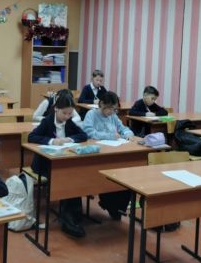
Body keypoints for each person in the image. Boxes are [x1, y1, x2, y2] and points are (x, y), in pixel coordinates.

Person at [28, 91, 88, 237]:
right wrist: (52, 141)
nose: (67, 116)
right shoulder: (47, 122)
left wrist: (70, 139)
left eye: (70, 113)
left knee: (74, 175)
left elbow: (83, 135)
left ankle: (73, 216)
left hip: (63, 161)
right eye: (64, 113)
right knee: (66, 177)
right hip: (44, 163)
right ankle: (68, 219)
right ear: (56, 109)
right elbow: (32, 136)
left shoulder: (69, 122)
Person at [83, 91, 135, 221]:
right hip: (97, 155)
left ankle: (116, 207)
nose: (112, 112)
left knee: (124, 178)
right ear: (101, 104)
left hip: (113, 152)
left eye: (114, 109)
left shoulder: (113, 116)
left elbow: (123, 128)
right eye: (110, 108)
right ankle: (108, 202)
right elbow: (89, 133)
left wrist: (128, 134)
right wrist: (110, 136)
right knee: (105, 178)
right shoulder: (91, 114)